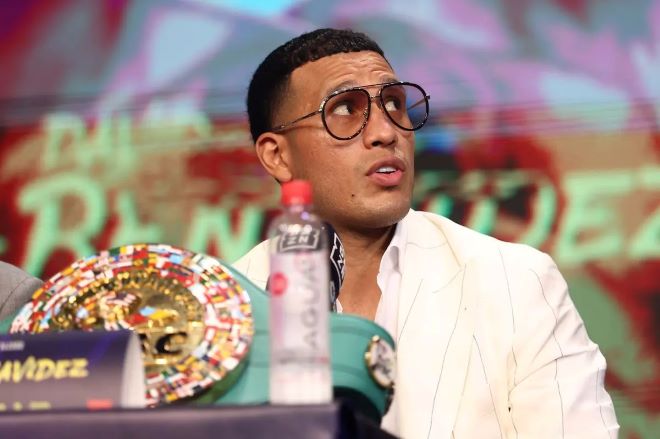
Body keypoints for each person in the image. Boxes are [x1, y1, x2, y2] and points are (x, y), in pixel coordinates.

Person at [232, 28, 619, 438]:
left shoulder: (516, 283)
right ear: (278, 155)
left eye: (394, 104)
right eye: (345, 108)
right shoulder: (227, 312)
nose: (386, 132)